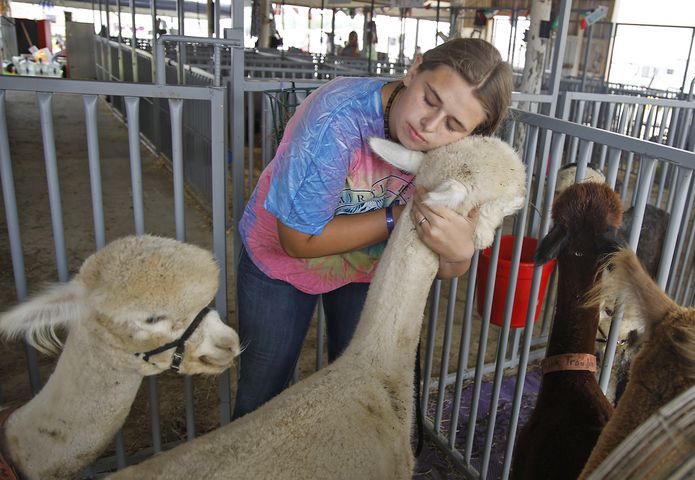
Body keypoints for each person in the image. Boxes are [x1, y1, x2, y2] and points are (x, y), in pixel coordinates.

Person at [233, 38, 513, 419]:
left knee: (361, 388)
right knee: (262, 395)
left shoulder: (460, 162)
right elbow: (295, 240)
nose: (428, 126)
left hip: (366, 270)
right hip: (281, 262)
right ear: (413, 71)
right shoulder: (337, 118)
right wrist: (398, 216)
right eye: (430, 98)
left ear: (473, 136)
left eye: (453, 124)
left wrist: (461, 251)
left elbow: (445, 267)